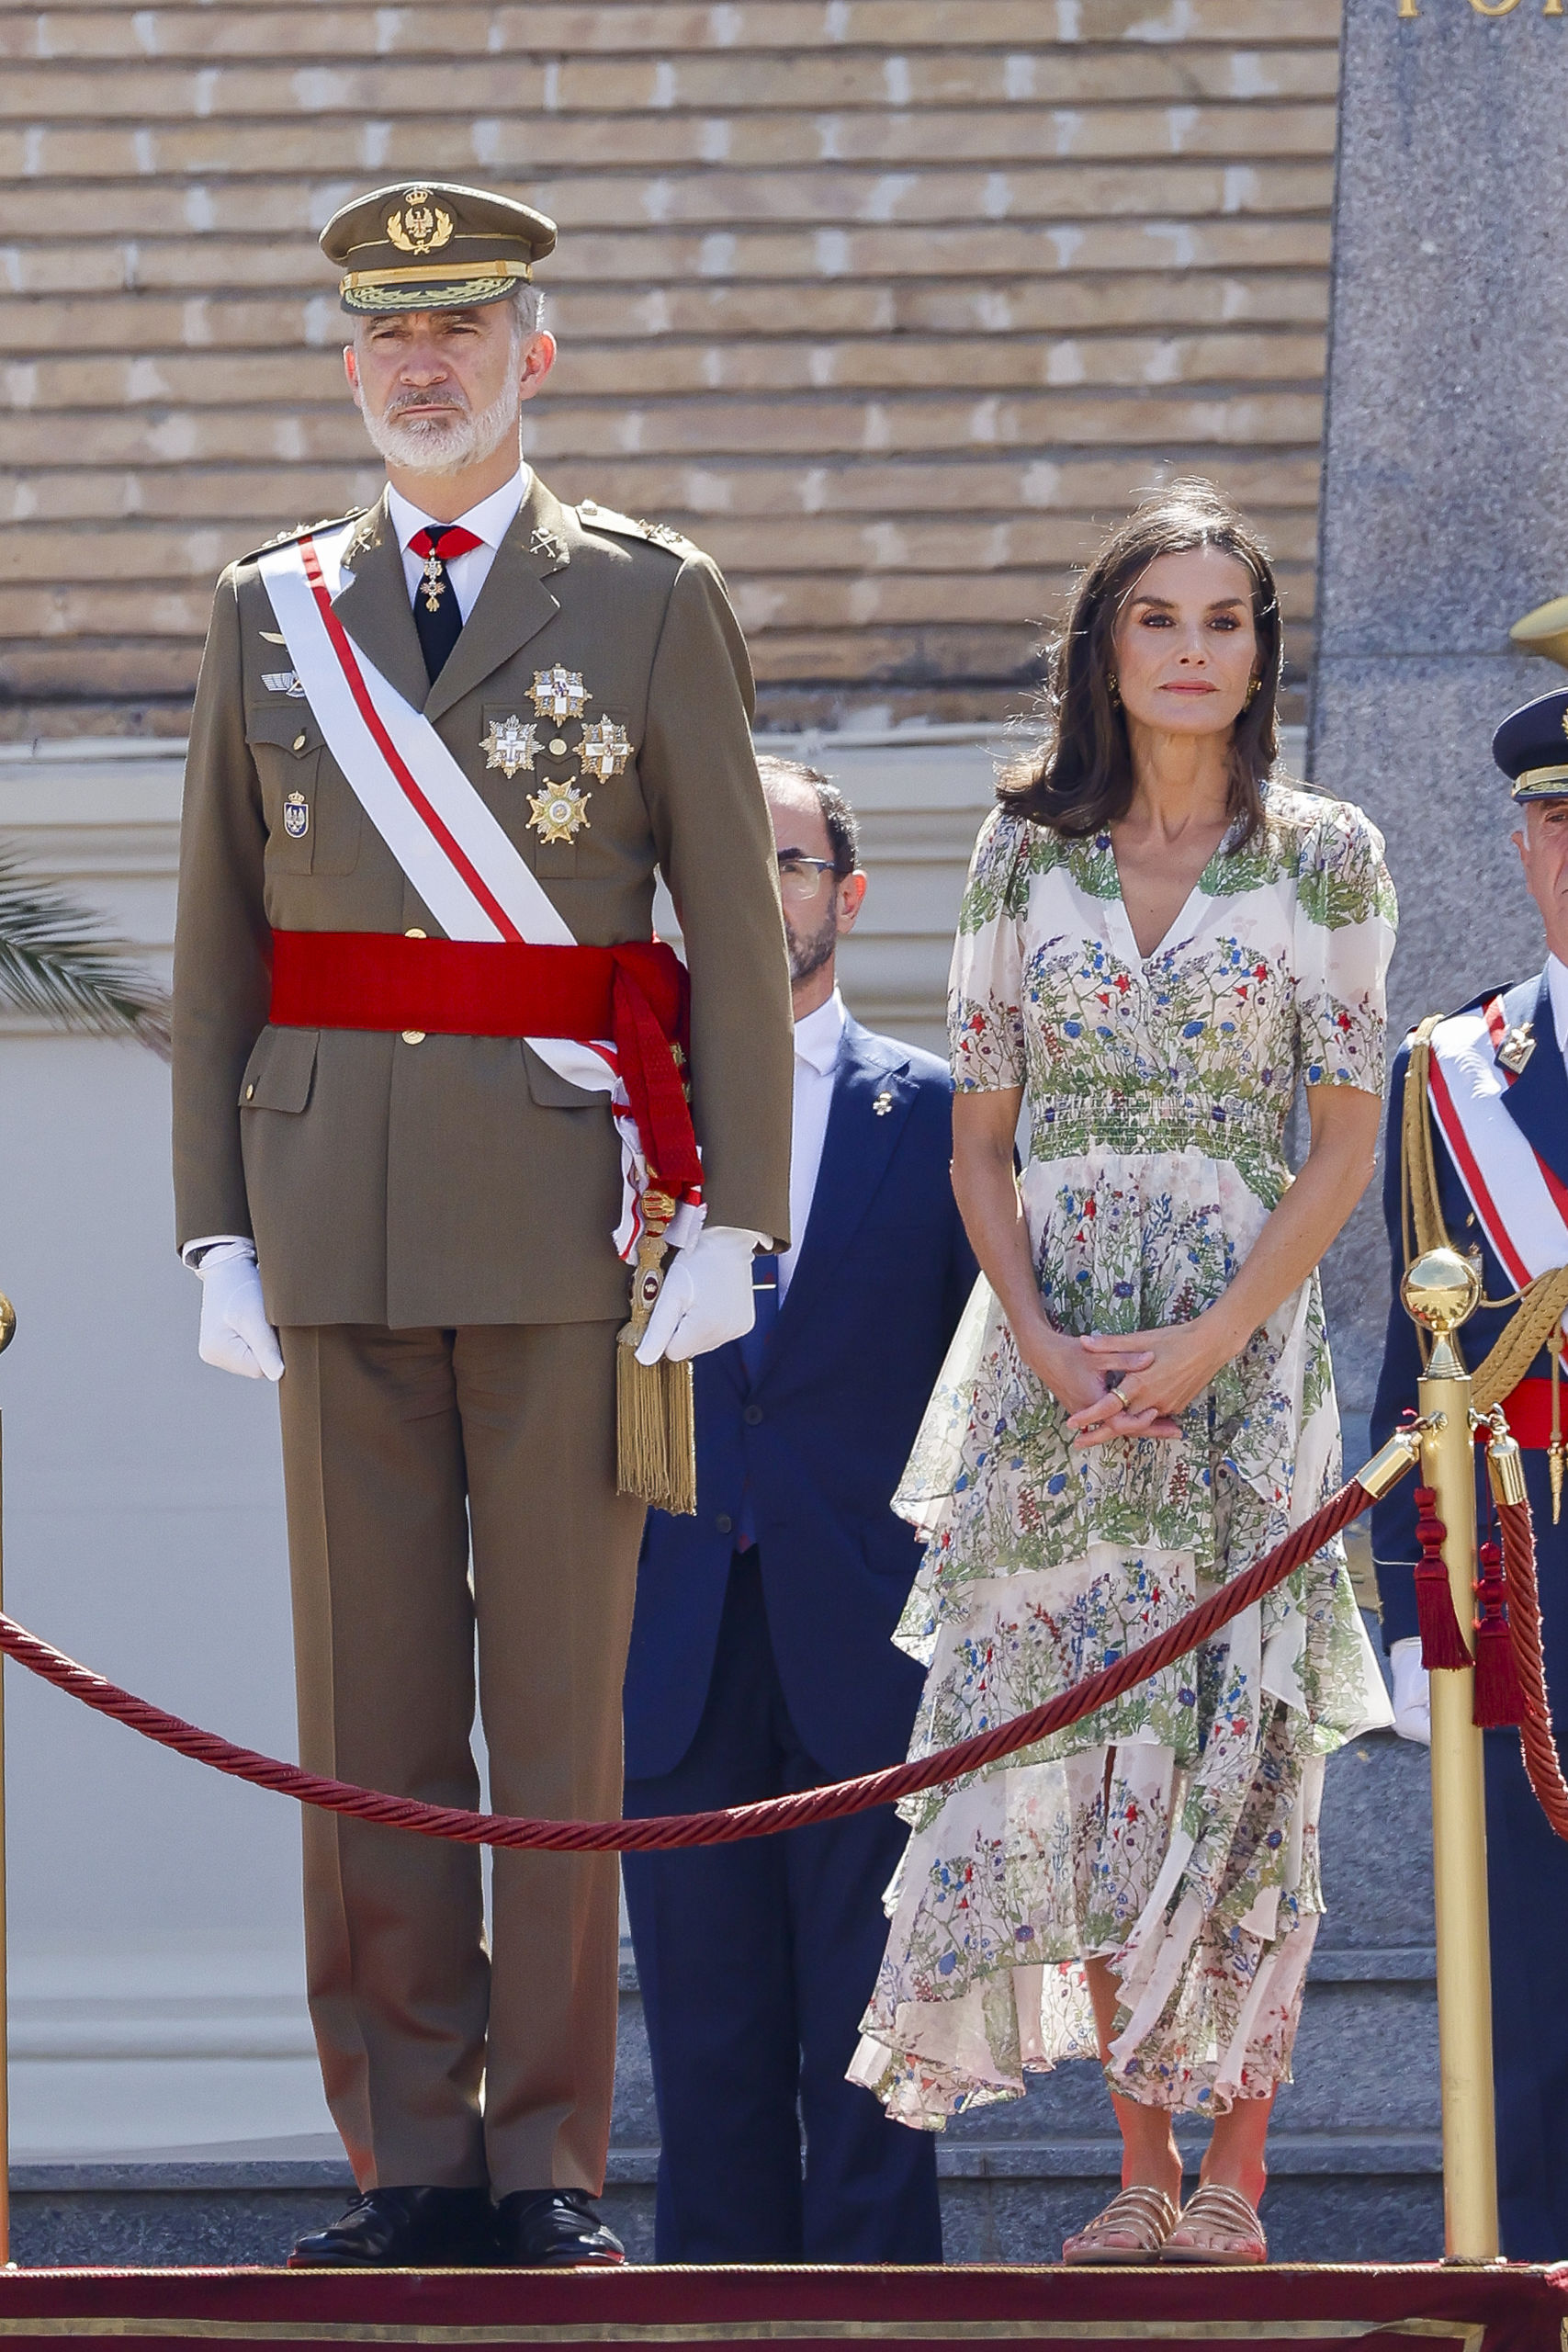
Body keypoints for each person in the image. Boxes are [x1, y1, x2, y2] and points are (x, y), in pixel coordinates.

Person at [170, 181, 794, 2269]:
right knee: (364, 1718)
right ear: (347, 364)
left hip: (566, 1215)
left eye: (463, 328)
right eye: (384, 335)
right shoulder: (269, 608)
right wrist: (208, 1232)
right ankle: (404, 2158)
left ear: (536, 353)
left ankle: (541, 2161)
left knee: (552, 1706)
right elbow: (219, 940)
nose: (420, 365)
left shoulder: (642, 595)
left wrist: (737, 1208)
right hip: (325, 1206)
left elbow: (720, 923)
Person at [848, 481, 1398, 2265]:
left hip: (1238, 1359)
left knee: (1237, 1748)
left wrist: (1212, 1340)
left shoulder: (1326, 852)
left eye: (1221, 620)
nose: (1188, 649)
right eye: (1155, 618)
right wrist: (1043, 1341)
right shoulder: (1025, 850)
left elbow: (1336, 1142)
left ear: (1256, 651)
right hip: (1056, 1360)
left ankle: (1232, 2173)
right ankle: (1136, 2164)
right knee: (1093, 1741)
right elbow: (975, 1141)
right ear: (1105, 647)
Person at [621, 758, 976, 2265]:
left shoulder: (946, 1115)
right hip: (672, 1634)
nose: (763, 890)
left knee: (876, 2064)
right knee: (704, 2061)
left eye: (788, 859)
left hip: (876, 1642)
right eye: (730, 860)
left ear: (849, 891)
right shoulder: (616, 1118)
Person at [1370, 686, 1568, 2262]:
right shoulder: (1451, 1072)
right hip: (1521, 1567)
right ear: (1519, 850)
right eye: (1559, 826)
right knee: (1527, 1952)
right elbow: (1410, 1352)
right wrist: (1395, 1605)